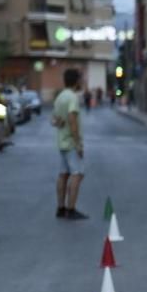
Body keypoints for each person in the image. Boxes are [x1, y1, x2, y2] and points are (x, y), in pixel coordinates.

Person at [52, 68, 88, 219]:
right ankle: (71, 210)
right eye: (81, 78)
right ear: (76, 81)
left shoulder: (60, 97)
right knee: (77, 174)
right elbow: (72, 120)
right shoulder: (72, 98)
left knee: (63, 174)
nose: (82, 81)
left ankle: (60, 208)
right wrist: (78, 144)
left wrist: (60, 123)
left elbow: (54, 120)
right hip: (71, 143)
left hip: (61, 142)